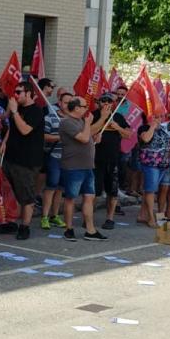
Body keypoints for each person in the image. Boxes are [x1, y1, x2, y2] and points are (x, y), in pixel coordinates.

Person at [0, 81, 45, 240]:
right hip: (11, 157)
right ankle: (10, 222)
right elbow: (13, 128)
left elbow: (25, 130)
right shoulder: (17, 109)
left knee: (26, 196)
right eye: (15, 92)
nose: (15, 95)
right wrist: (4, 141)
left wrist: (15, 112)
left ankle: (25, 226)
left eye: (19, 92)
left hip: (27, 161)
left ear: (29, 93)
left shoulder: (35, 111)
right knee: (9, 194)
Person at [59, 96, 107, 241]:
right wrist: (88, 123)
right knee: (71, 198)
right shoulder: (66, 122)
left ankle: (90, 230)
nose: (87, 108)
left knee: (89, 197)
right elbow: (84, 138)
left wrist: (103, 118)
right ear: (77, 108)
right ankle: (69, 229)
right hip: (73, 166)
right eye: (85, 106)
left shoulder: (81, 121)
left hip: (87, 166)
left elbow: (90, 133)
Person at [92, 93, 130, 231]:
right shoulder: (93, 115)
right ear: (99, 102)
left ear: (114, 103)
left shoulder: (118, 117)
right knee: (93, 192)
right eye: (103, 100)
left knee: (112, 191)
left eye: (109, 101)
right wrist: (101, 120)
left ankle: (110, 218)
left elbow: (129, 134)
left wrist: (117, 127)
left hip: (113, 159)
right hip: (95, 159)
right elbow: (89, 132)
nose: (106, 103)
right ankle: (89, 218)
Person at [136, 115, 170, 228]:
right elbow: (146, 139)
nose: (158, 119)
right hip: (150, 164)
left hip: (163, 164)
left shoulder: (163, 129)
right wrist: (152, 127)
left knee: (151, 191)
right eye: (155, 117)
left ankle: (142, 215)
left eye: (159, 117)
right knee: (150, 191)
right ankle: (151, 218)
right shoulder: (144, 128)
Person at [39, 88, 68, 230]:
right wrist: (60, 137)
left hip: (68, 159)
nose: (68, 105)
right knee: (51, 187)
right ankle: (44, 216)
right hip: (54, 157)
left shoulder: (76, 120)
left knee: (60, 189)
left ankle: (55, 215)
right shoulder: (50, 118)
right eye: (66, 102)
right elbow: (43, 136)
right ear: (60, 103)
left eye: (71, 102)